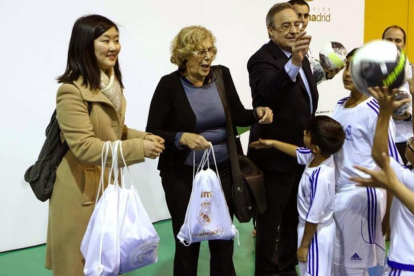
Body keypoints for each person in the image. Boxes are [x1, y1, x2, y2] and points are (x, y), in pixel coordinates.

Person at [146, 25, 273, 276]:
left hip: (223, 170)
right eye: (199, 52)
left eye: (210, 50)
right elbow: (153, 129)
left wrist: (257, 113)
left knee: (222, 237)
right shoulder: (169, 85)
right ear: (183, 56)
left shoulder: (221, 76)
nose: (207, 57)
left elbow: (236, 114)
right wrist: (182, 138)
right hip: (183, 175)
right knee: (188, 240)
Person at [45, 15, 165, 276]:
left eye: (117, 40)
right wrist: (138, 149)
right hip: (79, 193)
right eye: (105, 40)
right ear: (86, 44)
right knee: (79, 266)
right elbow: (85, 147)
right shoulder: (70, 91)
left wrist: (142, 137)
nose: (113, 47)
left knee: (107, 263)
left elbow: (115, 131)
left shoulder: (111, 84)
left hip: (107, 186)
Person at [247, 3, 318, 275]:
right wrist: (295, 62)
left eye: (297, 24)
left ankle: (287, 270)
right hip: (273, 158)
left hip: (300, 154)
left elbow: (301, 98)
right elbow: (267, 93)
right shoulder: (261, 59)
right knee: (269, 224)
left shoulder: (299, 55)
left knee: (292, 220)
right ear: (270, 30)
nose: (293, 29)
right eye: (285, 25)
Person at [331, 49, 401, 275]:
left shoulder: (376, 111)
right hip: (338, 194)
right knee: (339, 264)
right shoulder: (339, 106)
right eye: (347, 66)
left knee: (357, 267)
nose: (348, 73)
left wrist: (390, 214)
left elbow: (389, 164)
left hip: (363, 195)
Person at [250, 115, 345, 276]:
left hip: (314, 234)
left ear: (315, 147)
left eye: (307, 133)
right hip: (314, 231)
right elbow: (296, 151)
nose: (304, 133)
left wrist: (305, 245)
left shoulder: (319, 177)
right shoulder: (320, 158)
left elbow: (313, 216)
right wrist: (272, 143)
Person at [351, 86, 414, 275]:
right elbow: (381, 155)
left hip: (405, 265)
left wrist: (384, 114)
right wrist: (384, 114)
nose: (410, 140)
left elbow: (380, 156)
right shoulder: (406, 173)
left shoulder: (406, 179)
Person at [288, 0, 343, 84]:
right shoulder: (284, 45)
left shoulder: (303, 44)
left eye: (306, 16)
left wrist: (327, 74)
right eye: (298, 15)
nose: (303, 20)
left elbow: (306, 79)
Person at [382, 25, 413, 166]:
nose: (393, 44)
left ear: (404, 44)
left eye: (398, 40)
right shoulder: (371, 73)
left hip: (405, 144)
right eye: (388, 40)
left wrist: (409, 116)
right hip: (379, 141)